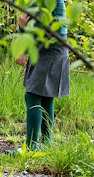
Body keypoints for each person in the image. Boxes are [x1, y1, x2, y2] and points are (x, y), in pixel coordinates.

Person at [15, 0, 70, 150]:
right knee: (45, 97)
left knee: (32, 95)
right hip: (46, 50)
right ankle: (46, 145)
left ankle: (31, 147)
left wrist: (23, 37)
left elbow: (44, 30)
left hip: (50, 50)